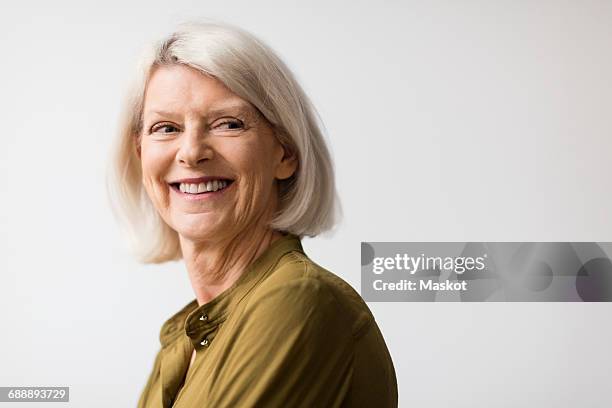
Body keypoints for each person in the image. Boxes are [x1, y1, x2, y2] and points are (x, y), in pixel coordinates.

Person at [107, 19, 398, 408]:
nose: (192, 152)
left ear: (285, 152)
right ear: (140, 153)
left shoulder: (297, 302)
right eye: (166, 128)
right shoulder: (182, 342)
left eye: (228, 123)